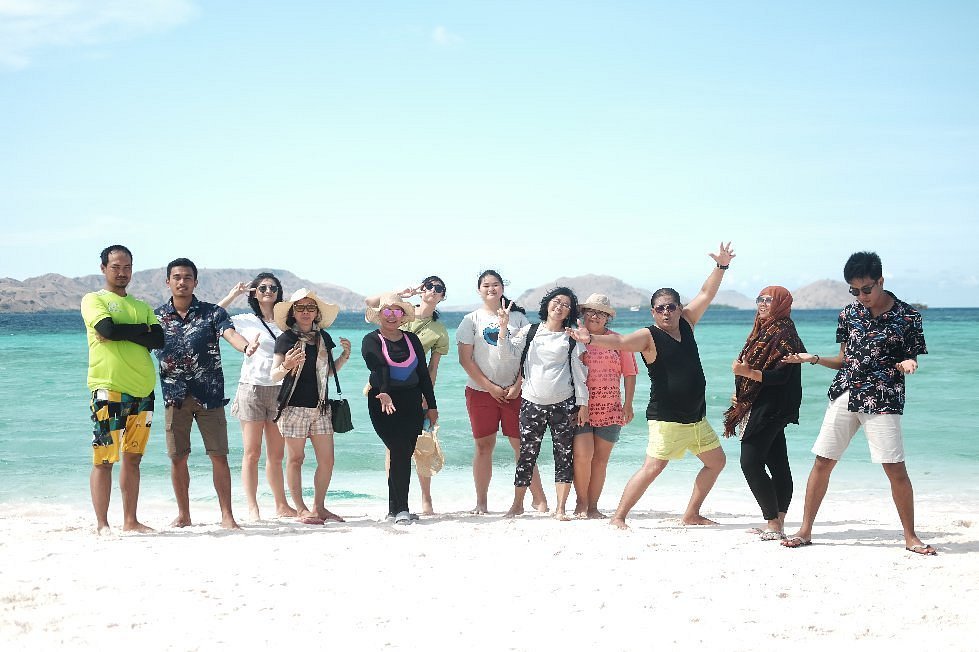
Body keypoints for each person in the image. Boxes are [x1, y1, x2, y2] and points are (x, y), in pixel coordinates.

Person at [569, 242, 736, 528]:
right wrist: (591, 339)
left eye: (671, 307)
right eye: (660, 309)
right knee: (653, 467)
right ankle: (618, 517)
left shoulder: (687, 322)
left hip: (695, 418)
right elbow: (620, 342)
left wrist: (720, 266)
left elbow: (707, 292)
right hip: (667, 418)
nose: (666, 312)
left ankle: (691, 514)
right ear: (653, 312)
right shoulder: (648, 336)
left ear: (679, 308)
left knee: (716, 462)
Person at [780, 252, 934, 555]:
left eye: (866, 289)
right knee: (822, 462)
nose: (861, 296)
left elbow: (911, 355)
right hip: (845, 392)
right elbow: (843, 360)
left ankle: (910, 537)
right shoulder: (848, 314)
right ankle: (805, 530)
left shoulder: (908, 317)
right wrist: (812, 358)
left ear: (881, 281)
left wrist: (908, 363)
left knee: (895, 469)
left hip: (883, 398)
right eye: (854, 290)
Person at [155, 258, 256, 529]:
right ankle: (184, 514)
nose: (182, 281)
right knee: (178, 458)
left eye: (187, 277)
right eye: (176, 277)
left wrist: (245, 348)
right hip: (174, 396)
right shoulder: (156, 317)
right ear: (168, 282)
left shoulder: (212, 313)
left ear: (195, 282)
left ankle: (227, 516)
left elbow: (230, 333)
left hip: (209, 395)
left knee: (219, 455)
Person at [82, 244, 165, 535]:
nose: (122, 272)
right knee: (105, 457)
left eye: (127, 267)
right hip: (109, 389)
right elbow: (107, 330)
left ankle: (131, 521)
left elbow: (158, 340)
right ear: (104, 268)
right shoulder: (93, 299)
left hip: (144, 391)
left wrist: (123, 331)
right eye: (116, 267)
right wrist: (136, 331)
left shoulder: (142, 306)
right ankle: (102, 523)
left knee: (133, 458)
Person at [456, 270, 548, 514]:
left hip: (516, 392)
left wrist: (518, 384)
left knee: (522, 446)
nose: (491, 289)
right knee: (484, 446)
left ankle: (539, 499)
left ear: (502, 288)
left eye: (495, 284)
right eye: (486, 285)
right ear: (479, 290)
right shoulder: (470, 320)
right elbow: (466, 360)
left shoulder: (518, 318)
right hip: (480, 391)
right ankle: (481, 502)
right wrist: (490, 387)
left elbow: (530, 355)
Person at [497, 287, 589, 520]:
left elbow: (579, 373)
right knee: (527, 455)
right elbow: (507, 355)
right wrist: (503, 327)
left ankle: (560, 508)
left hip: (563, 403)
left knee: (564, 455)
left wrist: (583, 403)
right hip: (531, 402)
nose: (560, 307)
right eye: (556, 302)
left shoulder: (570, 337)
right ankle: (517, 504)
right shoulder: (530, 331)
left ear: (569, 312)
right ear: (547, 304)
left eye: (566, 305)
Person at [722, 286, 805, 540]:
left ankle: (772, 523)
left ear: (781, 303)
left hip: (771, 406)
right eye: (760, 299)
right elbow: (753, 367)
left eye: (769, 300)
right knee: (777, 462)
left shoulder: (784, 333)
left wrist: (747, 374)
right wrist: (742, 393)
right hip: (760, 403)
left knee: (750, 462)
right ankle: (777, 522)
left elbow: (781, 375)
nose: (763, 304)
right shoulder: (763, 329)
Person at [364, 275, 450, 515]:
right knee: (396, 449)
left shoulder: (436, 330)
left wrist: (429, 402)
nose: (433, 290)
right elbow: (371, 303)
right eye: (428, 286)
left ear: (443, 295)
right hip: (383, 394)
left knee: (409, 449)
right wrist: (399, 296)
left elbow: (429, 370)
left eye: (438, 288)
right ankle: (398, 506)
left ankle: (409, 504)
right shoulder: (383, 327)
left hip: (413, 394)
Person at [218, 274, 297, 521]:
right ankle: (252, 506)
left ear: (278, 292)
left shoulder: (287, 322)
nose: (268, 291)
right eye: (262, 287)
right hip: (251, 388)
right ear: (255, 292)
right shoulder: (245, 320)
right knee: (251, 453)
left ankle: (281, 504)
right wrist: (234, 294)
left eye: (273, 287)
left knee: (276, 455)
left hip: (280, 389)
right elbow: (212, 317)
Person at [270, 288, 350, 525]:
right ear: (292, 312)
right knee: (296, 459)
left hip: (321, 407)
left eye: (310, 308)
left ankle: (319, 507)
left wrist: (345, 356)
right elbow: (274, 375)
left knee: (327, 460)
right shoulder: (286, 339)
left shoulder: (323, 338)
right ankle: (301, 509)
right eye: (300, 308)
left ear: (316, 313)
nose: (305, 312)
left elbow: (327, 371)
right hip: (293, 408)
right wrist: (287, 365)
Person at [572, 294, 638, 519]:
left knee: (600, 461)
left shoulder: (619, 341)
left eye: (601, 313)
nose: (594, 316)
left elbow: (629, 374)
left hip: (611, 408)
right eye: (590, 311)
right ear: (583, 313)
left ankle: (592, 507)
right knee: (582, 457)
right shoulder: (575, 338)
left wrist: (628, 404)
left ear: (607, 318)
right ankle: (581, 503)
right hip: (580, 407)